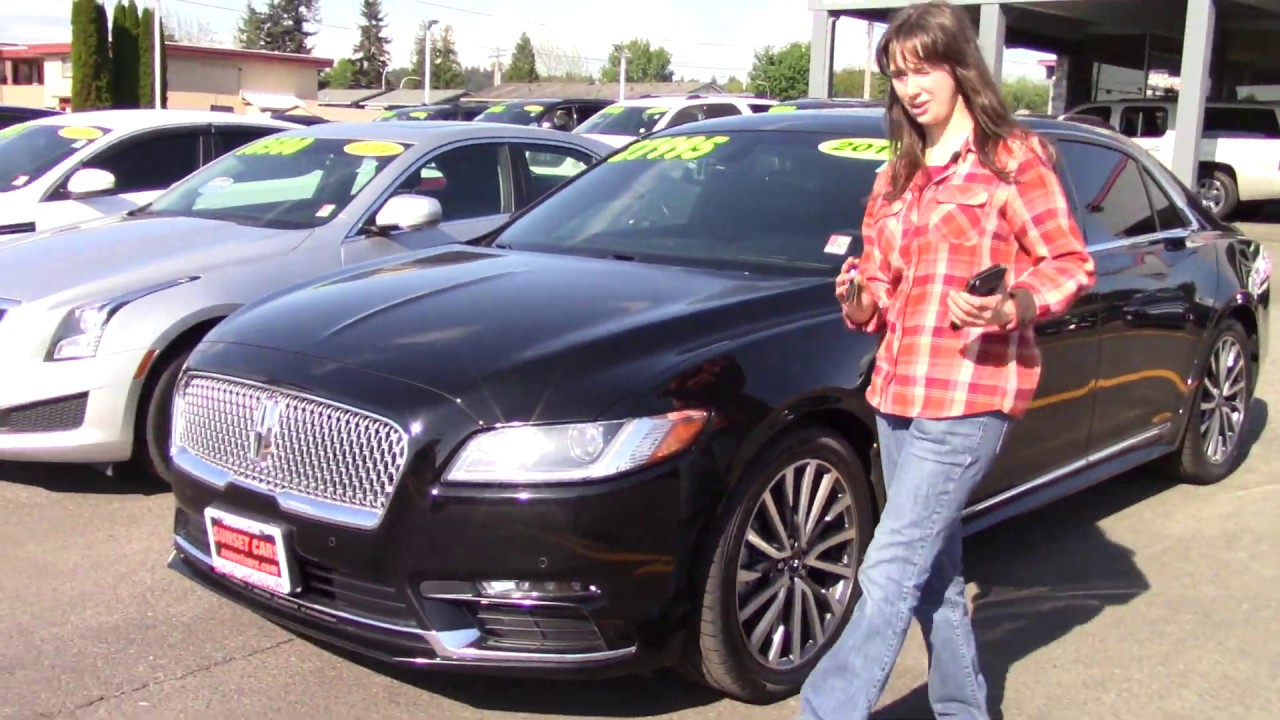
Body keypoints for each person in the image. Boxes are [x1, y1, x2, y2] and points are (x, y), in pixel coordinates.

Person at [798, 2, 1095, 719]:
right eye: (898, 73)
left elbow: (1069, 262)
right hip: (899, 390)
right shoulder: (897, 176)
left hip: (971, 392)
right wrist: (861, 297)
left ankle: (823, 710)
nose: (911, 85)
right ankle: (965, 711)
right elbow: (882, 291)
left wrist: (1012, 305)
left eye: (924, 66)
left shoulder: (1011, 158)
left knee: (890, 568)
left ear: (959, 65)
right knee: (933, 573)